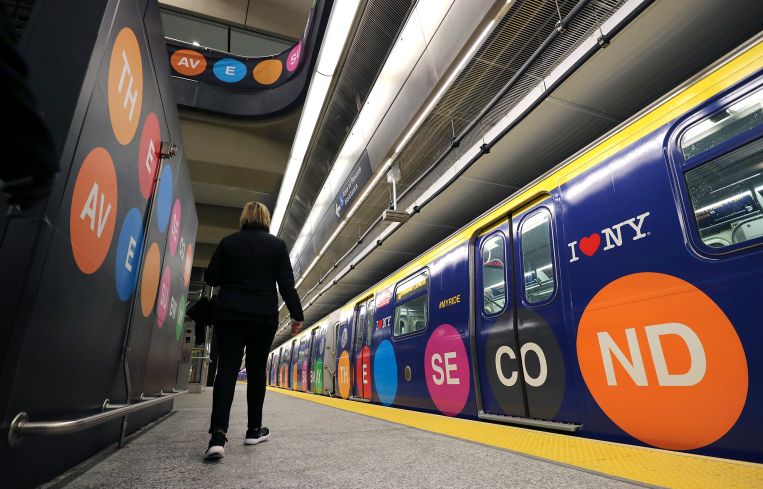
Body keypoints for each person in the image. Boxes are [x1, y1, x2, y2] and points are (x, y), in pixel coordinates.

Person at [203, 201, 303, 460]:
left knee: (226, 370)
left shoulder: (228, 243)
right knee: (257, 371)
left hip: (230, 314)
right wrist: (297, 315)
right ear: (266, 219)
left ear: (244, 218)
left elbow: (211, 278)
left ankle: (217, 436)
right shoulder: (277, 246)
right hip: (262, 317)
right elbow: (286, 286)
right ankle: (253, 431)